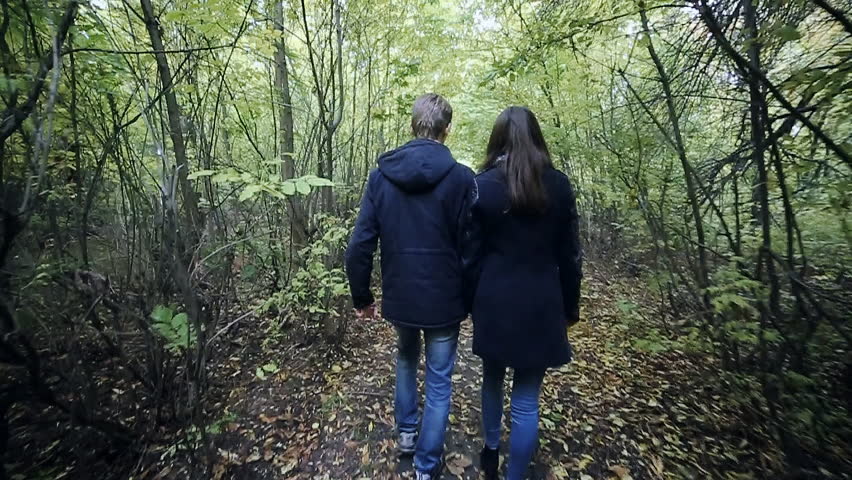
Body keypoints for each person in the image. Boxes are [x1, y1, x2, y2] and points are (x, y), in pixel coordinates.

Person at [345, 93, 477, 480]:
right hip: (444, 300)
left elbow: (359, 245)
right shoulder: (461, 178)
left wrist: (362, 297)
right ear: (446, 130)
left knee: (405, 358)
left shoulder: (381, 177)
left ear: (412, 125)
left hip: (402, 296)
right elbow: (472, 247)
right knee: (438, 380)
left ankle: (406, 434)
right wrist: (470, 297)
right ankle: (425, 467)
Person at [467, 106, 583, 480]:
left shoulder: (482, 186)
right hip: (541, 302)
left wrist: (470, 300)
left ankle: (490, 450)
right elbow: (570, 256)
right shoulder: (560, 185)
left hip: (495, 300)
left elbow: (470, 254)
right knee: (526, 400)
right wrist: (570, 306)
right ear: (537, 138)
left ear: (497, 138)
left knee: (492, 379)